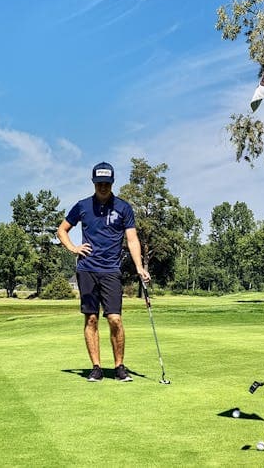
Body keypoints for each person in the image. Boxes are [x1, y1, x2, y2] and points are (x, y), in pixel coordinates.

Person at [57, 162, 150, 382]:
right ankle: (96, 367)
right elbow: (62, 230)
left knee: (115, 319)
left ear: (112, 183)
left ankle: (119, 367)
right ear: (93, 183)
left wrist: (139, 267)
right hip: (87, 269)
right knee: (91, 319)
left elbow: (132, 238)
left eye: (106, 183)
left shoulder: (124, 207)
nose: (103, 187)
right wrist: (73, 248)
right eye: (99, 183)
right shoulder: (82, 206)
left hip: (111, 270)